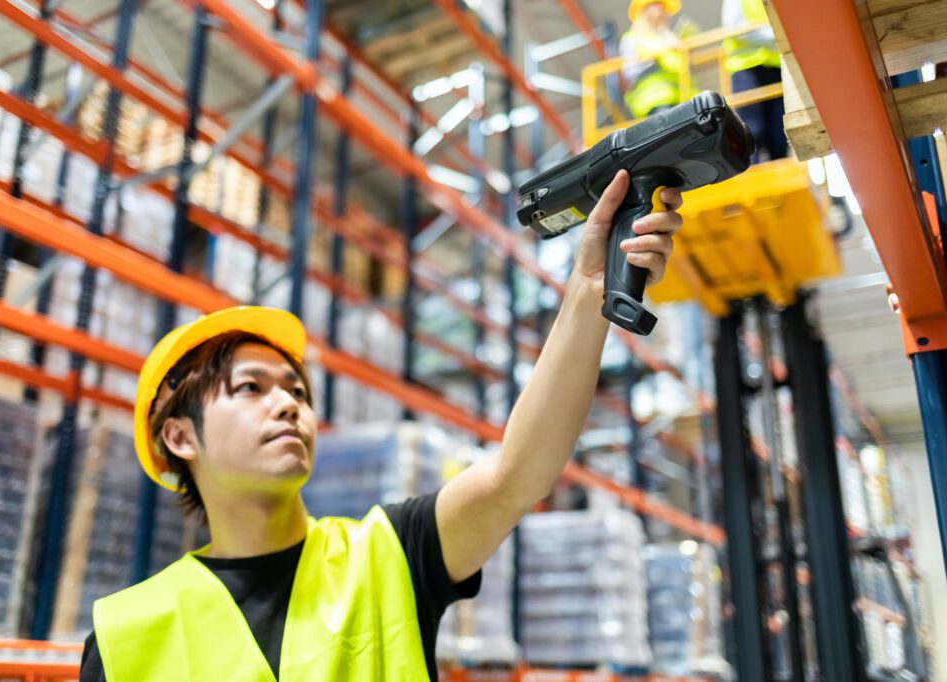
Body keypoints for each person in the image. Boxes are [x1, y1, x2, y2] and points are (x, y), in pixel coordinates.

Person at [78, 170, 684, 681]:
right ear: (181, 437)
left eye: (296, 390)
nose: (288, 405)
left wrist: (586, 289)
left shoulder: (388, 554)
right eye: (250, 389)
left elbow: (517, 474)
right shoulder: (124, 637)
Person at [722, 0, 787, 161]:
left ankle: (781, 172)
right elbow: (735, 28)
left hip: (773, 66)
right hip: (747, 68)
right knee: (752, 130)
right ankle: (752, 170)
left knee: (778, 132)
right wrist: (773, 35)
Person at [619, 0, 687, 119]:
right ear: (645, 10)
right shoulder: (634, 38)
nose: (664, 12)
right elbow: (629, 74)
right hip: (654, 100)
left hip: (680, 97)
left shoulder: (665, 36)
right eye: (659, 7)